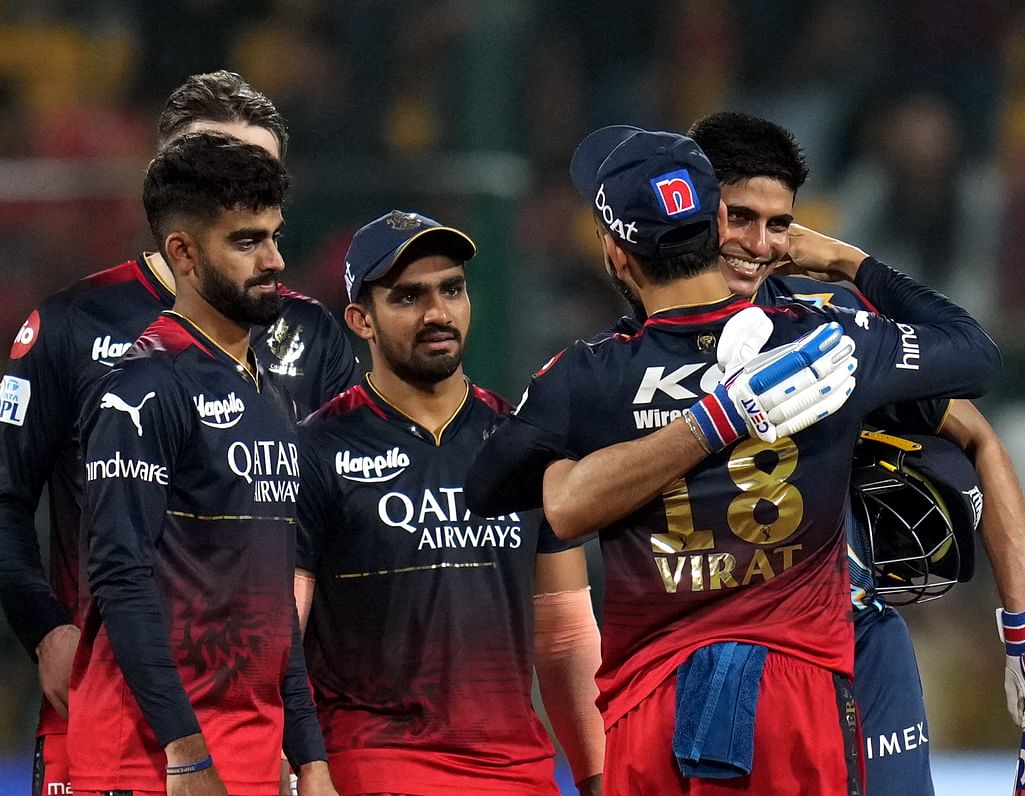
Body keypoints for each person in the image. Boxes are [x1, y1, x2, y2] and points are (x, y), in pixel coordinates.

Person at [466, 125, 1003, 794]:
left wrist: (608, 451)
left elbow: (486, 487)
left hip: (648, 703)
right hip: (796, 695)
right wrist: (845, 262)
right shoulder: (824, 342)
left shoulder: (585, 377)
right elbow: (973, 352)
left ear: (615, 253)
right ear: (719, 220)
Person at [686, 110, 1025, 792]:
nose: (758, 244)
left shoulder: (826, 330)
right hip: (708, 659)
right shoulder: (629, 354)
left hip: (857, 649)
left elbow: (975, 418)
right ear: (695, 210)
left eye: (780, 224)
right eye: (738, 217)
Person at [0, 70, 357, 796]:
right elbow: (7, 502)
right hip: (115, 707)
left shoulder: (312, 337)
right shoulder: (75, 324)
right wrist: (45, 628)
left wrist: (300, 728)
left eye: (257, 173)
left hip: (264, 716)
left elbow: (326, 525)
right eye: (211, 165)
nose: (234, 181)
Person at [294, 211, 605, 795]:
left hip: (518, 775)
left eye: (451, 289)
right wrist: (309, 767)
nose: (438, 312)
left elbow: (564, 634)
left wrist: (596, 776)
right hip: (376, 769)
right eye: (409, 296)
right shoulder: (314, 450)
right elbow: (281, 637)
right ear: (361, 319)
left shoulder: (526, 442)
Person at [70, 132, 335, 796]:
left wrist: (311, 758)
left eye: (274, 237)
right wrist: (185, 753)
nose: (273, 259)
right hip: (150, 759)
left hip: (249, 752)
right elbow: (119, 577)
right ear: (183, 253)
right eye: (246, 242)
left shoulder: (267, 392)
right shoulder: (143, 387)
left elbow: (274, 603)